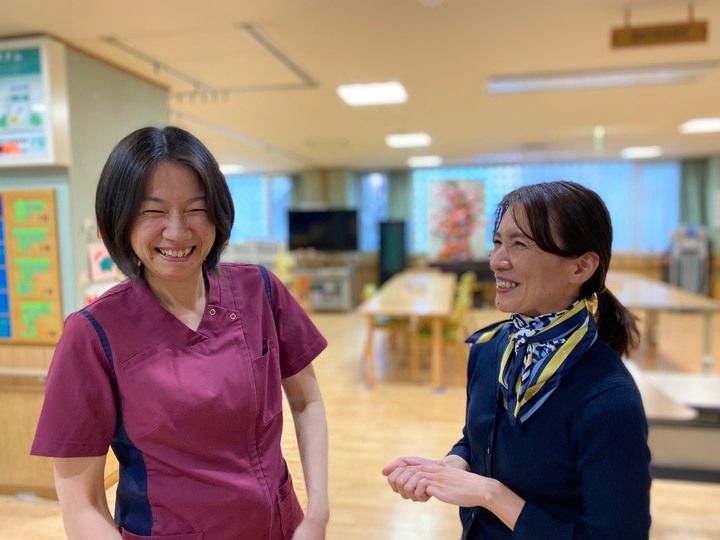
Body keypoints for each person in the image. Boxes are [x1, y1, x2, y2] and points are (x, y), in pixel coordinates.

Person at [31, 126, 329, 540]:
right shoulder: (93, 334)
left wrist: (316, 515)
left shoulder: (260, 291)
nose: (177, 231)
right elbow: (82, 503)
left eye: (196, 209)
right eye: (153, 212)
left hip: (280, 528)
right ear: (119, 219)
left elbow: (306, 401)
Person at [383, 181, 651, 539]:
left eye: (520, 244)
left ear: (581, 267)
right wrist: (450, 465)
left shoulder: (608, 401)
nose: (496, 261)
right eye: (497, 242)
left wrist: (492, 495)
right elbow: (478, 438)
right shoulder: (489, 349)